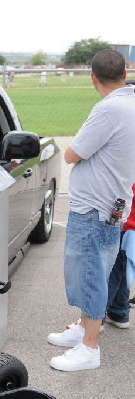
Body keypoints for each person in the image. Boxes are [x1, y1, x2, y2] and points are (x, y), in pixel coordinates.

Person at [46, 49, 135, 372]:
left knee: (91, 274)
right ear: (124, 73)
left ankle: (89, 347)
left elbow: (72, 154)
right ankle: (85, 327)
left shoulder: (109, 109)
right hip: (111, 203)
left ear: (93, 77)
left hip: (96, 206)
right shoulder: (130, 102)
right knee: (93, 269)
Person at [105, 183, 135, 329]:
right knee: (124, 273)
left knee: (112, 273)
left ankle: (98, 316)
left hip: (127, 227)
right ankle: (119, 313)